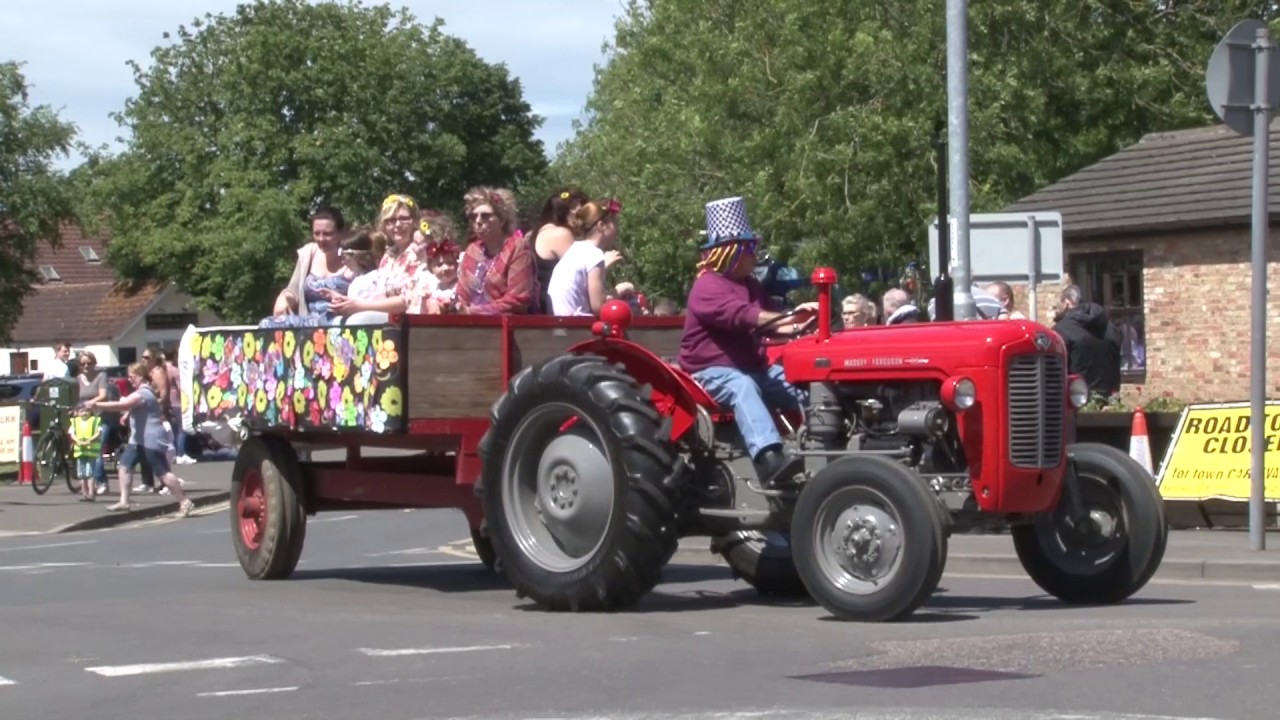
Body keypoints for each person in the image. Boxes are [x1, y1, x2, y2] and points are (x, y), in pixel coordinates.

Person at [676, 196, 817, 489]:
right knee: (741, 386)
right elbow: (745, 317)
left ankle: (825, 440)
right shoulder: (707, 286)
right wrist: (792, 318)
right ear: (733, 252)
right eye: (751, 247)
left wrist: (803, 322)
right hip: (708, 373)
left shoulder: (751, 285)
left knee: (806, 382)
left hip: (752, 368)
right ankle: (769, 458)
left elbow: (770, 326)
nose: (757, 254)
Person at [85, 362, 194, 516]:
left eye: (132, 377)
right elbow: (132, 407)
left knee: (162, 472)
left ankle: (184, 501)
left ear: (141, 377)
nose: (130, 380)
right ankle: (124, 501)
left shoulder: (143, 393)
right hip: (137, 439)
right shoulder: (140, 393)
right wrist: (128, 414)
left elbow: (121, 404)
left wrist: (96, 404)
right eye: (129, 377)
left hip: (151, 438)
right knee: (124, 466)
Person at [546, 198, 624, 316]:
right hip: (577, 324)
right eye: (614, 223)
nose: (617, 229)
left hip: (560, 320)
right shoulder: (594, 255)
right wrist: (619, 291)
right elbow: (598, 306)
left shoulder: (575, 249)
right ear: (601, 226)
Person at [1053, 285, 1122, 397]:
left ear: (1066, 303)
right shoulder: (1110, 327)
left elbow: (1055, 372)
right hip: (1110, 400)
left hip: (1078, 399)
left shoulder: (1062, 329)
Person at [70, 405, 102, 502]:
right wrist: (77, 441)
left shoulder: (94, 421)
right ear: (77, 413)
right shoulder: (75, 422)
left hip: (90, 452)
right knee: (81, 474)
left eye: (87, 411)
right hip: (80, 452)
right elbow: (72, 434)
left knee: (90, 474)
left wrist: (90, 440)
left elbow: (98, 432)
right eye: (82, 411)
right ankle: (84, 493)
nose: (84, 413)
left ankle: (91, 493)